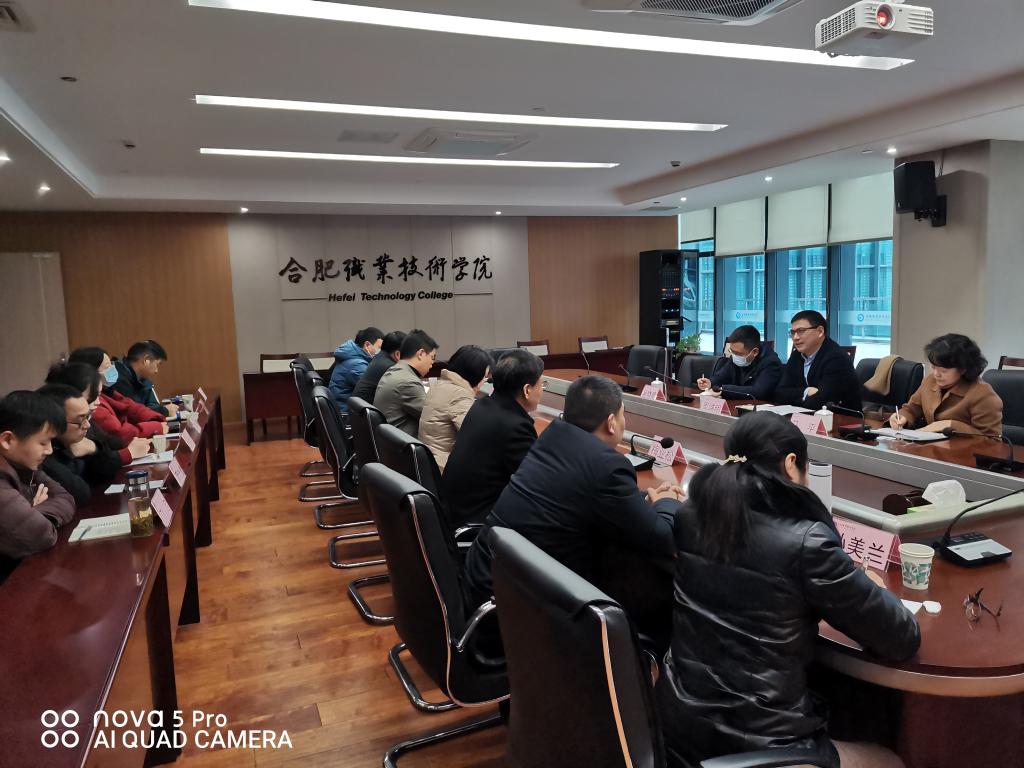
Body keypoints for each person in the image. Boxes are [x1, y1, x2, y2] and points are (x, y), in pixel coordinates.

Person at [656, 412, 920, 768]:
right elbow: (901, 637)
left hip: (679, 719)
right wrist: (871, 588)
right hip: (757, 742)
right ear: (791, 463)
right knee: (891, 761)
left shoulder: (692, 516)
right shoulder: (805, 541)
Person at [462, 375, 683, 609]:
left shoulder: (552, 438)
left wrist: (643, 500)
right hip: (516, 606)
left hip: (485, 579)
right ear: (611, 422)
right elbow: (664, 540)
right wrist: (668, 502)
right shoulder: (607, 466)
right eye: (622, 414)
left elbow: (584, 493)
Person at [442, 349, 544, 527]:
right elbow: (536, 484)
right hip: (477, 524)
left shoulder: (482, 406)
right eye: (542, 384)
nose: (542, 390)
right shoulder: (516, 426)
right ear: (527, 390)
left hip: (453, 512)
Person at [0, 391, 76, 568]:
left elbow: (66, 498)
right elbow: (41, 535)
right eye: (43, 443)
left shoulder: (24, 465)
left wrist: (35, 511)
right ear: (7, 440)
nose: (49, 450)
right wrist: (32, 513)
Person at [890, 333, 1003, 437]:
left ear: (963, 368)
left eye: (943, 371)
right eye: (933, 367)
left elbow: (992, 440)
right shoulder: (930, 381)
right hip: (931, 448)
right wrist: (902, 417)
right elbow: (912, 409)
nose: (936, 374)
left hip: (963, 451)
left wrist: (951, 425)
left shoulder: (982, 394)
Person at [45, 362, 151, 465]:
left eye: (99, 395)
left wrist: (94, 446)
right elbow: (94, 466)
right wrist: (127, 453)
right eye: (92, 396)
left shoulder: (87, 419)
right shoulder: (59, 431)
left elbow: (112, 442)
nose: (98, 402)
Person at [37, 383, 121, 506]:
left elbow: (110, 469)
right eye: (80, 420)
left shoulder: (75, 440)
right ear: (54, 422)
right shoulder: (43, 454)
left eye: (88, 417)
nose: (87, 425)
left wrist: (95, 448)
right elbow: (80, 493)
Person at [68, 346, 168, 442]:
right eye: (107, 367)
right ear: (90, 373)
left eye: (111, 365)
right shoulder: (92, 402)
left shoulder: (107, 390)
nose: (113, 369)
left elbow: (132, 407)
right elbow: (119, 433)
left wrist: (158, 418)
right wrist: (156, 427)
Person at [418, 345, 493, 470]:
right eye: (485, 377)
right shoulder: (459, 395)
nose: (484, 381)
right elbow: (479, 438)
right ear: (474, 374)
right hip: (444, 469)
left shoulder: (440, 385)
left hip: (431, 461)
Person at [774, 310, 862, 411]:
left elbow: (821, 402)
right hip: (806, 415)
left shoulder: (836, 358)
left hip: (841, 418)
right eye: (793, 332)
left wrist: (794, 397)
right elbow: (779, 393)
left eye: (801, 331)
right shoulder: (797, 355)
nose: (795, 337)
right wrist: (806, 392)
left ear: (820, 331)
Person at [373, 329, 438, 436]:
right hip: (402, 443)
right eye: (432, 357)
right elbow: (433, 418)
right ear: (421, 354)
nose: (432, 364)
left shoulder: (395, 370)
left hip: (387, 438)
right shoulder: (408, 382)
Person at [697, 324, 783, 400]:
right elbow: (721, 376)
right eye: (732, 351)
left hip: (759, 408)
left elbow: (758, 391)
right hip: (736, 404)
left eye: (738, 353)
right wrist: (710, 382)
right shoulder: (735, 358)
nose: (734, 356)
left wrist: (724, 390)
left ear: (755, 352)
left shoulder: (771, 363)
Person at [112, 340, 178, 417]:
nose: (156, 371)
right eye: (157, 364)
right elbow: (132, 414)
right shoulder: (116, 376)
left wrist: (162, 410)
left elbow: (153, 406)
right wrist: (165, 411)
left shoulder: (143, 379)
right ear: (146, 360)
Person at [328, 326, 384, 412]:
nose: (381, 352)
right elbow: (374, 391)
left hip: (343, 409)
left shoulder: (351, 356)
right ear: (367, 345)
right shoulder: (357, 365)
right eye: (379, 347)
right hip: (346, 413)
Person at [352, 331, 406, 405]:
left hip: (360, 408)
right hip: (368, 410)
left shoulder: (379, 358)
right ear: (397, 354)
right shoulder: (391, 368)